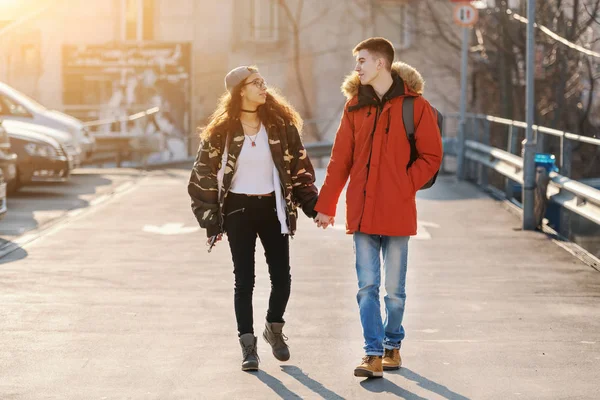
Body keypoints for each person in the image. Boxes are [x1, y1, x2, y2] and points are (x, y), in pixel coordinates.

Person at [313, 38, 443, 378]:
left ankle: (392, 346)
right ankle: (372, 354)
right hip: (362, 211)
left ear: (381, 64)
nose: (356, 68)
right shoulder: (355, 106)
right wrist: (326, 205)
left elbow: (432, 157)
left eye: (362, 61)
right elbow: (340, 159)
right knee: (367, 287)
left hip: (398, 210)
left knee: (394, 293)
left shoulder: (416, 107)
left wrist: (404, 183)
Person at [188, 66, 319, 371]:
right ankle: (248, 346)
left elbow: (300, 171)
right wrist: (211, 220)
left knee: (282, 278)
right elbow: (201, 176)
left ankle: (274, 328)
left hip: (273, 209)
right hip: (238, 211)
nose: (263, 87)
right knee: (244, 280)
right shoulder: (221, 132)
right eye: (256, 83)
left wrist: (314, 207)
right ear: (240, 91)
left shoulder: (281, 126)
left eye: (263, 81)